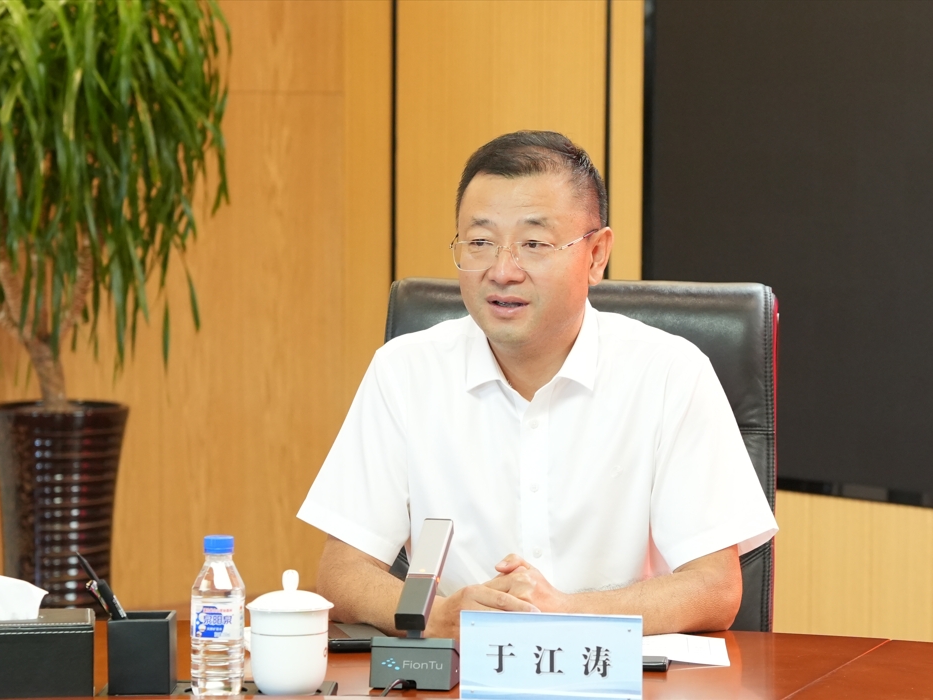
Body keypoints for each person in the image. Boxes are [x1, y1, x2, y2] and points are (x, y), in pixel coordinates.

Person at [299, 131, 776, 639]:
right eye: (480, 243)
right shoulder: (405, 372)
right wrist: (440, 617)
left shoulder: (670, 373)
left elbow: (714, 589)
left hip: (616, 671)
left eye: (534, 244)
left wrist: (564, 613)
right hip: (461, 670)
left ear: (596, 255)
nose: (502, 271)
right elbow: (342, 574)